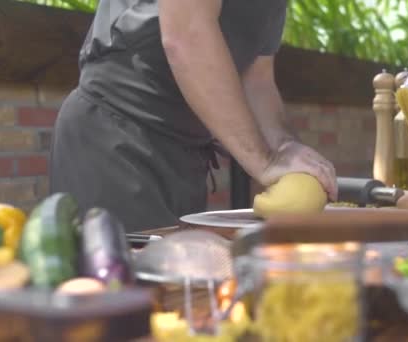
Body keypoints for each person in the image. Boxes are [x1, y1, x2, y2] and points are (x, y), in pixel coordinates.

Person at [50, 0, 338, 232]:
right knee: (125, 297)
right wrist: (265, 161)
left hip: (185, 160)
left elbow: (257, 78)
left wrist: (285, 146)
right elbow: (185, 35)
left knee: (183, 295)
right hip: (113, 138)